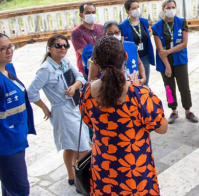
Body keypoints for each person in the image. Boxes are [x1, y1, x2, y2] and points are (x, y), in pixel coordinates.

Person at [79, 36, 167, 195]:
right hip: (133, 167)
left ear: (96, 62)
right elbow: (161, 128)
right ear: (125, 56)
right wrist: (136, 89)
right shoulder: (139, 94)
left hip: (103, 165)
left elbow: (88, 121)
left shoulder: (86, 92)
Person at [27, 34, 89, 187]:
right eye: (58, 46)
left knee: (72, 145)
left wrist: (74, 87)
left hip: (74, 106)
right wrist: (45, 109)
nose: (62, 48)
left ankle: (73, 176)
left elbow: (81, 77)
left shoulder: (65, 62)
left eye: (65, 45)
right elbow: (31, 92)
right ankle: (83, 176)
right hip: (62, 110)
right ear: (50, 49)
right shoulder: (45, 70)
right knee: (82, 147)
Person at [0, 32, 36, 196]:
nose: (9, 51)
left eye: (10, 46)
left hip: (15, 137)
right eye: (2, 49)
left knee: (10, 187)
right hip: (4, 144)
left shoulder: (7, 68)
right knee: (20, 190)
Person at [152, 0, 198, 124]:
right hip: (164, 61)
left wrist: (169, 51)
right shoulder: (156, 27)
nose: (171, 10)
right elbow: (160, 50)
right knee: (168, 87)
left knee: (184, 86)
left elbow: (184, 43)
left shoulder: (181, 22)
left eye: (173, 7)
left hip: (179, 60)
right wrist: (167, 66)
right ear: (163, 9)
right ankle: (173, 110)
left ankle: (188, 110)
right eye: (168, 7)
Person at [88, 21, 147, 85]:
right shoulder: (100, 51)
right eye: (110, 34)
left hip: (134, 87)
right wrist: (109, 85)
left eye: (116, 32)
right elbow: (92, 78)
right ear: (104, 35)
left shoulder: (131, 46)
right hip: (112, 91)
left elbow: (139, 63)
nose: (114, 35)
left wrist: (143, 78)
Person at [120, 0, 155, 86]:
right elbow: (122, 42)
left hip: (145, 56)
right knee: (133, 82)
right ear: (128, 11)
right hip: (132, 57)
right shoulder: (123, 26)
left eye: (138, 7)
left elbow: (150, 31)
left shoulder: (143, 21)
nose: (137, 10)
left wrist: (145, 37)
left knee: (144, 81)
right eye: (133, 8)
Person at [70, 3, 103, 78]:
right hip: (87, 71)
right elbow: (86, 53)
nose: (91, 15)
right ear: (81, 15)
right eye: (88, 13)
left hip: (103, 68)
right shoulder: (76, 32)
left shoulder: (101, 28)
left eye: (93, 12)